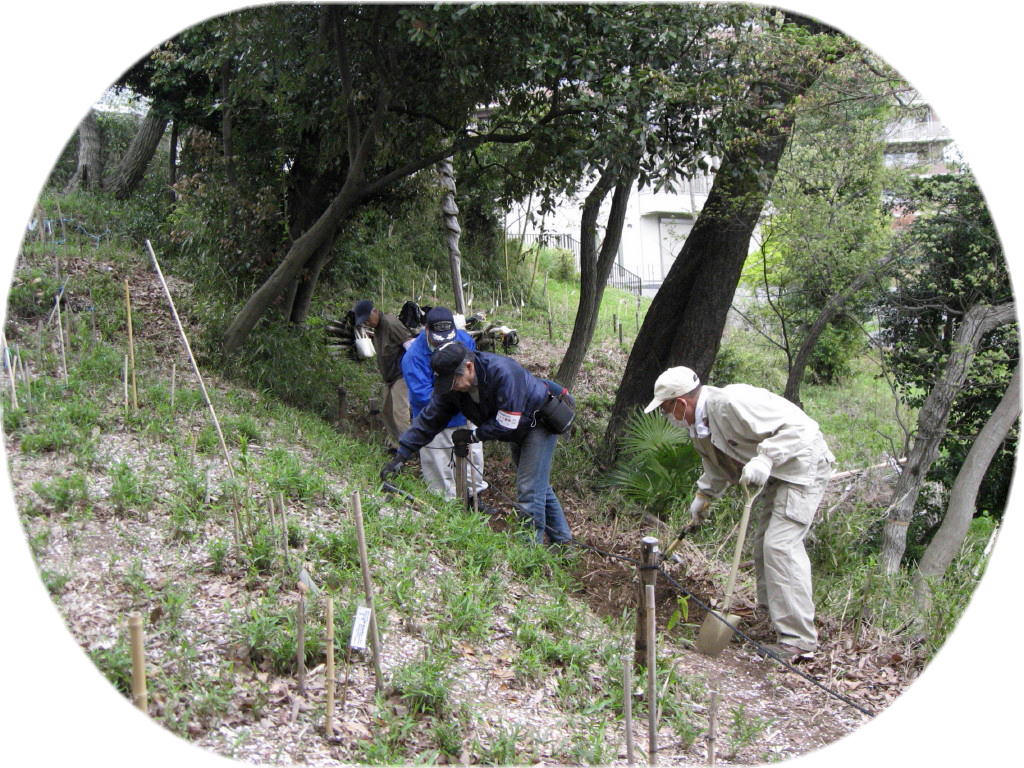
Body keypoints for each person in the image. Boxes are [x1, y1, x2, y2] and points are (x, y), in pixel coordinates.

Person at [645, 366, 835, 658]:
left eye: (667, 409)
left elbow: (802, 429)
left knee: (780, 545)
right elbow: (715, 469)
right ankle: (771, 615)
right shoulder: (699, 427)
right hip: (778, 473)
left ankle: (799, 640)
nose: (666, 417)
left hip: (802, 467)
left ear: (682, 403)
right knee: (763, 545)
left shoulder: (731, 403)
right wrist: (703, 498)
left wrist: (766, 459)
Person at [381, 340, 573, 545]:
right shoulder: (453, 389)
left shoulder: (503, 372)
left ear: (469, 367)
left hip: (537, 424)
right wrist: (403, 453)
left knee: (529, 488)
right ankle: (563, 540)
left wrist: (473, 436)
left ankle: (529, 550)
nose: (451, 386)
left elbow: (507, 422)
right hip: (518, 428)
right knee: (537, 486)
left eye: (453, 380)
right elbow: (430, 419)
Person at [401, 306, 492, 509]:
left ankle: (475, 499)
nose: (443, 344)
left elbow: (474, 368)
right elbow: (422, 395)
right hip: (435, 418)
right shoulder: (413, 357)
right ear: (426, 330)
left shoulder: (464, 339)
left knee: (473, 457)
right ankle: (447, 508)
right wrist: (454, 398)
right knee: (440, 465)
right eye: (438, 340)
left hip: (466, 413)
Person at [353, 299, 413, 445]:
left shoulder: (391, 324)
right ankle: (398, 444)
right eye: (364, 322)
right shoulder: (378, 327)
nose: (367, 323)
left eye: (368, 319)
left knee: (400, 413)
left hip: (401, 375)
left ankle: (410, 447)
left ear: (375, 311)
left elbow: (411, 347)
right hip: (390, 377)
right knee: (386, 412)